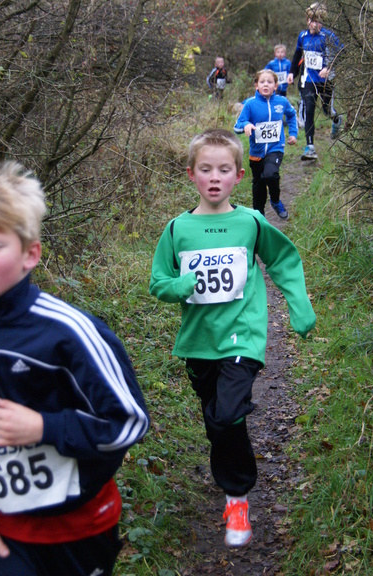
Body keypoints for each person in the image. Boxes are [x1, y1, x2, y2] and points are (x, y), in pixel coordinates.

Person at [0, 162, 149, 576]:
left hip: (79, 528)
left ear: (30, 254)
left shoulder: (69, 331)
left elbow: (128, 423)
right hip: (4, 530)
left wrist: (45, 428)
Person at [149, 129, 316, 549]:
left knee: (225, 416)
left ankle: (237, 497)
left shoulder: (250, 222)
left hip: (243, 337)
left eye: (224, 169)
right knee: (216, 421)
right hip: (198, 341)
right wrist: (179, 286)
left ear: (239, 175)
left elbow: (283, 261)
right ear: (191, 175)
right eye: (205, 169)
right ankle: (229, 449)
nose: (215, 177)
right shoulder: (176, 229)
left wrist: (299, 308)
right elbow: (159, 282)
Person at [234, 69, 298, 220]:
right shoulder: (250, 104)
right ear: (256, 85)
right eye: (262, 82)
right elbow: (237, 126)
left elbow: (291, 114)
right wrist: (246, 125)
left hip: (276, 148)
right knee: (258, 185)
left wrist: (293, 133)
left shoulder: (281, 102)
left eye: (269, 82)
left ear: (275, 86)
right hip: (256, 152)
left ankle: (275, 201)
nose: (266, 85)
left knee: (271, 174)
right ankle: (259, 217)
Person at [287, 2, 343, 161]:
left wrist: (329, 68)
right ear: (307, 20)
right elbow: (297, 55)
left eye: (318, 21)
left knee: (326, 110)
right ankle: (310, 147)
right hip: (308, 78)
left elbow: (342, 53)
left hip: (326, 80)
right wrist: (292, 72)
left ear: (322, 21)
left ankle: (337, 121)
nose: (314, 24)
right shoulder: (303, 36)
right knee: (309, 108)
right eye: (311, 20)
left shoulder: (329, 36)